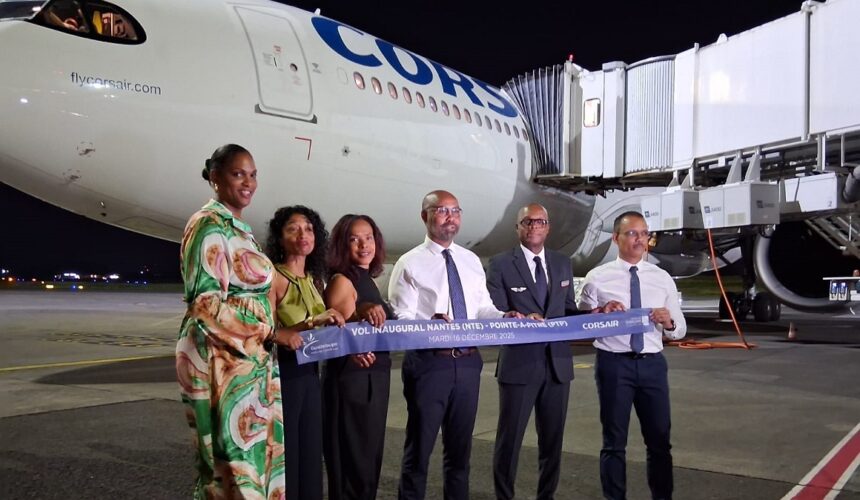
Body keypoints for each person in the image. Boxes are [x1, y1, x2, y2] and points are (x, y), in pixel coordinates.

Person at [388, 190, 523, 500]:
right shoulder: (410, 263)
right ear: (425, 216)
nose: (450, 217)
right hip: (429, 365)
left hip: (467, 363)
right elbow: (402, 317)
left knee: (460, 455)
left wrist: (504, 316)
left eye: (455, 211)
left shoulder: (470, 260)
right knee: (419, 451)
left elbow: (482, 308)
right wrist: (428, 325)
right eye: (441, 210)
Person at [175, 144, 285, 498]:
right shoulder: (208, 225)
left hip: (249, 360)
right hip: (221, 361)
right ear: (215, 178)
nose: (248, 182)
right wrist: (269, 332)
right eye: (238, 174)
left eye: (252, 175)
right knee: (230, 467)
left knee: (251, 462)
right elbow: (206, 305)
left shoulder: (238, 229)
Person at [578, 211, 687, 500]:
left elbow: (679, 329)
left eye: (644, 234)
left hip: (652, 365)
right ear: (616, 238)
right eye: (632, 233)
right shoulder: (597, 278)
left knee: (659, 442)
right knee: (614, 443)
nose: (640, 239)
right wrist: (601, 313)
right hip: (614, 365)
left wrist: (669, 323)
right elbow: (582, 323)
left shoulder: (661, 278)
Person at [486, 203, 582, 500]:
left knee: (553, 442)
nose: (534, 226)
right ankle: (504, 496)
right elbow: (496, 311)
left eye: (540, 221)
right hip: (519, 365)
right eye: (527, 222)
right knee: (510, 440)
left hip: (557, 366)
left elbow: (568, 310)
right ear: (517, 228)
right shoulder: (501, 264)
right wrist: (516, 318)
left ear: (548, 227)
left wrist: (598, 314)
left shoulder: (562, 263)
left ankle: (546, 495)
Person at [266, 206, 344, 500]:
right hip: (285, 374)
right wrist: (312, 322)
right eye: (293, 229)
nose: (303, 235)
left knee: (311, 455)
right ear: (279, 238)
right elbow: (268, 331)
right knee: (288, 455)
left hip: (311, 374)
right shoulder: (274, 277)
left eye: (309, 229)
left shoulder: (314, 279)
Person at [323, 214, 393, 500]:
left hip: (372, 380)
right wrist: (360, 314)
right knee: (354, 467)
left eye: (368, 238)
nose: (364, 245)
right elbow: (339, 332)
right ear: (342, 245)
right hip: (353, 382)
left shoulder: (365, 279)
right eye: (354, 239)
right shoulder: (343, 280)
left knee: (367, 464)